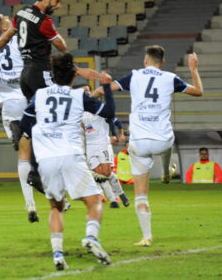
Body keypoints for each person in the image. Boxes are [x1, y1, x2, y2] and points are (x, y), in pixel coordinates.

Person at [0, 0, 102, 193]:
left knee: (41, 121)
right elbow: (62, 46)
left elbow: (7, 36)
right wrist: (58, 39)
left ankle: (32, 152)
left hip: (25, 76)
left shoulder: (21, 13)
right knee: (62, 115)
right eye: (56, 1)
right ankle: (70, 169)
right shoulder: (45, 21)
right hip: (39, 72)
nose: (58, 5)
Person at [19, 53, 116, 271]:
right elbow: (109, 112)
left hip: (46, 159)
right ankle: (91, 237)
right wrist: (107, 86)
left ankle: (58, 254)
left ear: (52, 75)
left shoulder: (39, 95)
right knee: (94, 203)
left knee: (56, 207)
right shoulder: (78, 96)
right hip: (71, 154)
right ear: (73, 76)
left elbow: (25, 125)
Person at [100, 47, 203, 246]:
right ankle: (166, 170)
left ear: (146, 60)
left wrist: (98, 90)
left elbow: (106, 88)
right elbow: (198, 92)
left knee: (141, 194)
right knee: (166, 142)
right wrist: (193, 69)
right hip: (163, 140)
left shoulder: (135, 76)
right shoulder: (170, 77)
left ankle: (146, 237)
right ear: (162, 62)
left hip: (138, 143)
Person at [0, 12, 38, 221]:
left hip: (7, 104)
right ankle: (51, 193)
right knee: (34, 153)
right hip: (26, 97)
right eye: (4, 17)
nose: (8, 16)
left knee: (23, 154)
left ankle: (30, 205)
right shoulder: (16, 40)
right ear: (5, 27)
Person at [82, 96, 130, 208]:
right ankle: (113, 200)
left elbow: (116, 122)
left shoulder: (102, 111)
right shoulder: (81, 113)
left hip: (103, 145)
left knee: (107, 173)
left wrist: (116, 134)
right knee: (100, 176)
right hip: (89, 147)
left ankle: (121, 194)